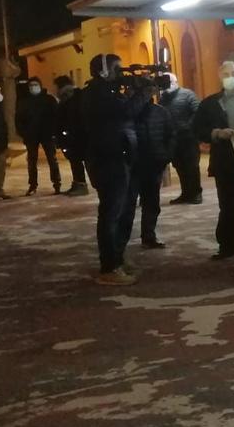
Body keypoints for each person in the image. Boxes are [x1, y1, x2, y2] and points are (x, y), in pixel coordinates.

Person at [81, 54, 148, 286]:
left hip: (121, 157)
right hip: (107, 160)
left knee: (125, 211)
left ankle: (117, 259)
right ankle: (109, 266)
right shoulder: (97, 94)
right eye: (117, 69)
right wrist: (144, 93)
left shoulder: (109, 91)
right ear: (103, 71)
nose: (122, 74)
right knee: (111, 214)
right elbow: (125, 113)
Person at [192, 61, 234, 260]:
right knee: (227, 205)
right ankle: (226, 246)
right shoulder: (210, 103)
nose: (231, 76)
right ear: (219, 77)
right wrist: (215, 133)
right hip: (224, 159)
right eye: (226, 74)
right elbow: (197, 129)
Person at [131, 86, 176, 249]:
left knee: (151, 202)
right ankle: (121, 241)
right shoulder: (130, 112)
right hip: (133, 164)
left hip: (154, 163)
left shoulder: (161, 112)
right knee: (128, 204)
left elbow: (170, 134)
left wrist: (166, 155)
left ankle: (149, 235)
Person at [161, 73, 203, 205]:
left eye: (169, 82)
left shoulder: (188, 94)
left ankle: (196, 193)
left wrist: (188, 127)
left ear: (176, 82)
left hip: (189, 138)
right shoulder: (164, 98)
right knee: (179, 167)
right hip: (174, 139)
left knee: (192, 166)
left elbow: (197, 112)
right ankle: (185, 193)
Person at [17, 77, 61, 196]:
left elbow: (56, 116)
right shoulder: (24, 101)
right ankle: (32, 185)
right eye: (31, 85)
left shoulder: (49, 99)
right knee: (32, 161)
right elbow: (18, 119)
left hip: (47, 134)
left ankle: (57, 183)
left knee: (52, 160)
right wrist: (23, 132)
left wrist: (54, 132)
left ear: (40, 86)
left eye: (35, 85)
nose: (33, 87)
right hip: (31, 135)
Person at [53, 76, 89, 196]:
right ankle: (78, 183)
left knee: (78, 160)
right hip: (70, 135)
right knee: (74, 161)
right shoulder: (67, 98)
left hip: (76, 136)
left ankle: (81, 185)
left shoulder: (74, 98)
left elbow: (73, 117)